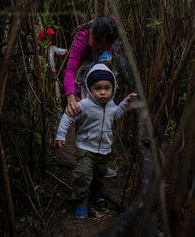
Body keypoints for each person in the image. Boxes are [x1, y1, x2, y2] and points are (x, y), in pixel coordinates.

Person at [56, 63, 137, 218]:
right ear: (90, 89)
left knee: (99, 175)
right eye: (97, 88)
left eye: (107, 88)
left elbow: (116, 114)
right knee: (83, 174)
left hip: (104, 149)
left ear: (113, 89)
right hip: (86, 148)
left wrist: (125, 102)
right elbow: (68, 116)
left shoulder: (111, 104)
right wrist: (61, 135)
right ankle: (80, 202)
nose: (102, 92)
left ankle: (95, 193)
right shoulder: (85, 105)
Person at [63, 16, 119, 177]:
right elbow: (71, 69)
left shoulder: (110, 30)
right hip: (82, 76)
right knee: (82, 115)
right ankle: (84, 162)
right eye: (96, 41)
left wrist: (106, 59)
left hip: (98, 75)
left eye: (103, 45)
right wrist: (71, 97)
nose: (97, 46)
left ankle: (99, 163)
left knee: (104, 114)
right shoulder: (82, 38)